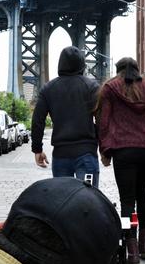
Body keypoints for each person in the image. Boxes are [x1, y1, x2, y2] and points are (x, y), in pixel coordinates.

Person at [96, 57, 145, 264]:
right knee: (143, 195)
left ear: (118, 70)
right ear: (137, 70)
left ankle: (132, 253)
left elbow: (103, 122)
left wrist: (104, 150)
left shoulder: (110, 89)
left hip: (124, 149)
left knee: (127, 201)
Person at [31, 46, 101, 186]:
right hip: (86, 154)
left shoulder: (48, 89)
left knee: (63, 197)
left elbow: (38, 120)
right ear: (82, 64)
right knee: (88, 196)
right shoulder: (92, 87)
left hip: (60, 155)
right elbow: (102, 120)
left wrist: (37, 149)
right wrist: (104, 149)